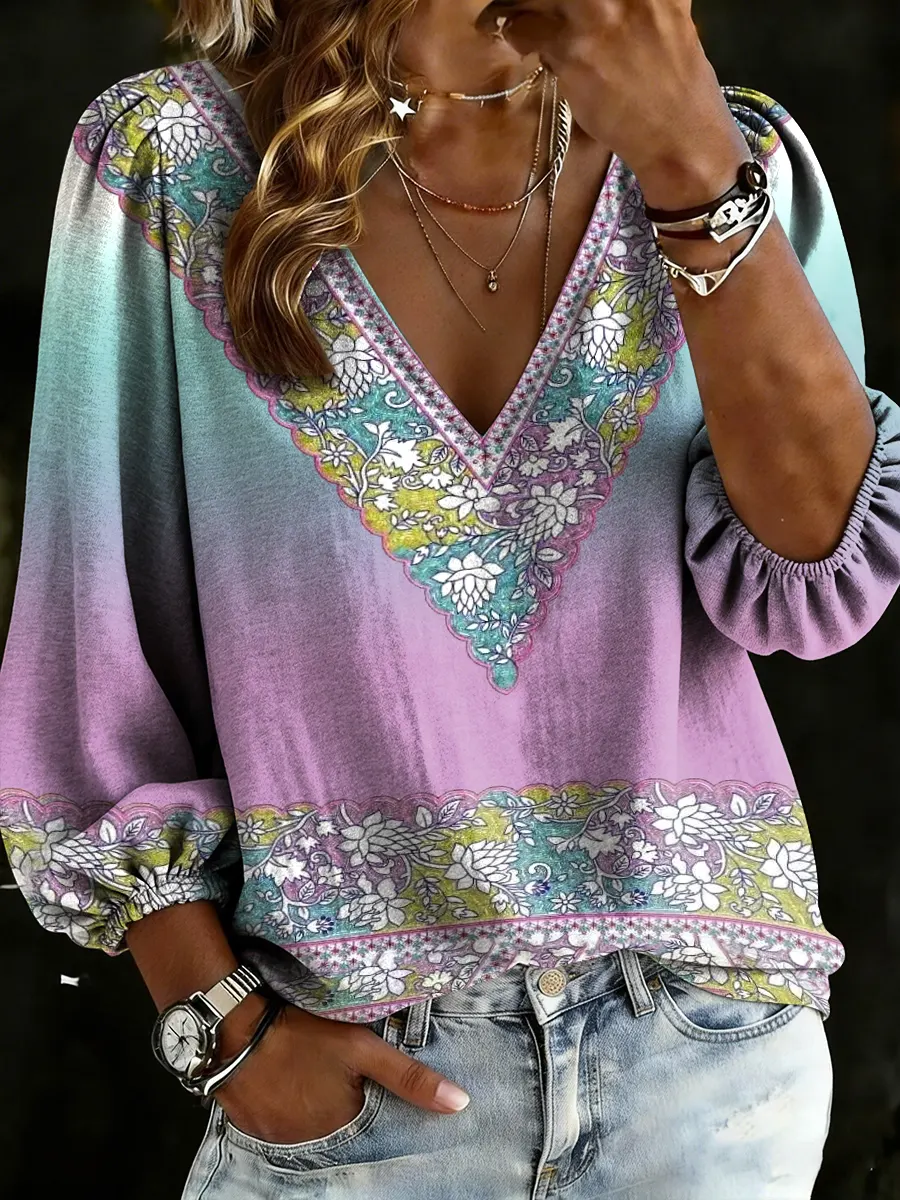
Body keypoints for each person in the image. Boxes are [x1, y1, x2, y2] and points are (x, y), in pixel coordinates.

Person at [2, 0, 899, 1195]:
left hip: (707, 1060)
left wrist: (690, 158)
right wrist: (224, 1030)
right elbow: (90, 654)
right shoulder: (169, 157)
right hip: (357, 1073)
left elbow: (815, 580)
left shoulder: (739, 160)